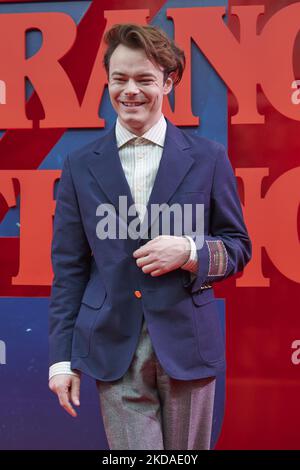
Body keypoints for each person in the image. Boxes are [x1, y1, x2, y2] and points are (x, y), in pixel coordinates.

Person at [48, 23, 251, 450]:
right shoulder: (80, 166)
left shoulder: (209, 158)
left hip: (187, 346)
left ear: (168, 82)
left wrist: (190, 251)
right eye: (119, 79)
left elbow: (238, 248)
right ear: (107, 82)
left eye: (144, 79)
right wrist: (61, 360)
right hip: (112, 346)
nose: (130, 91)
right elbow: (69, 270)